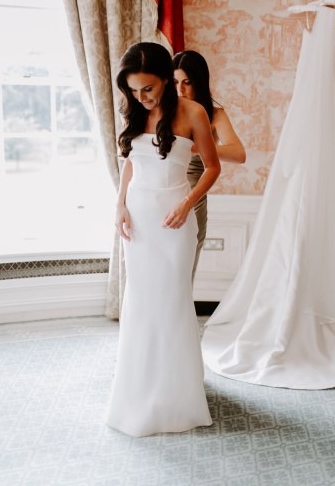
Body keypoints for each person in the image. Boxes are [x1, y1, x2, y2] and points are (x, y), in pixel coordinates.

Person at [106, 42, 220, 437]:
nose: (141, 98)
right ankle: (136, 393)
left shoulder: (193, 112)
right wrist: (119, 205)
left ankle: (178, 398)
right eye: (134, 91)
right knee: (140, 304)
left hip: (174, 222)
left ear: (165, 80)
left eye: (148, 89)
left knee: (171, 305)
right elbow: (131, 165)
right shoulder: (135, 110)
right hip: (136, 223)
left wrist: (188, 203)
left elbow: (212, 167)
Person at [173, 50, 246, 280]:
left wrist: (201, 147)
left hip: (193, 196)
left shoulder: (214, 114)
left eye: (187, 83)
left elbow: (238, 153)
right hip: (161, 191)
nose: (180, 90)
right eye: (174, 82)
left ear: (199, 83)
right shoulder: (164, 111)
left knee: (185, 268)